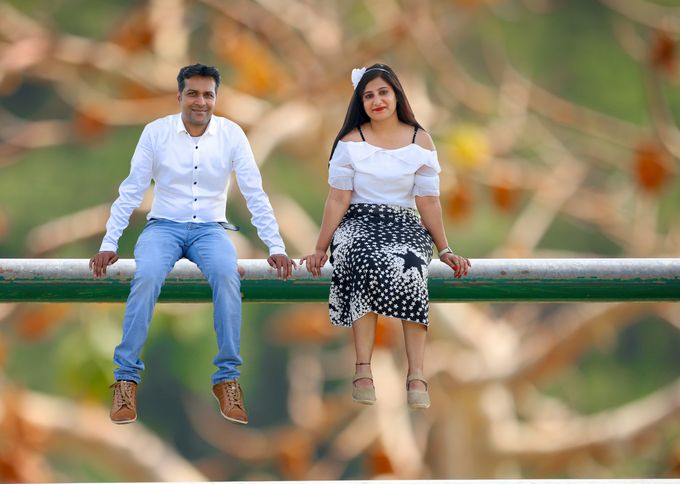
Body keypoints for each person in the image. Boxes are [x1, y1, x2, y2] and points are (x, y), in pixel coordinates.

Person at [90, 63, 294, 425]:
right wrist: (110, 241)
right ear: (180, 96)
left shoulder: (232, 135)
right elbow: (132, 190)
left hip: (211, 230)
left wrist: (275, 245)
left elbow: (254, 193)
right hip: (163, 227)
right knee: (147, 276)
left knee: (227, 276)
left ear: (216, 98)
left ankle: (227, 379)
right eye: (193, 94)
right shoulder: (156, 133)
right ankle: (126, 380)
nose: (201, 102)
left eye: (208, 95)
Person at [302, 64, 471, 409]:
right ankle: (363, 368)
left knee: (410, 267)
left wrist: (445, 249)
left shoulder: (419, 140)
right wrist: (320, 248)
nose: (377, 100)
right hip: (358, 223)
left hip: (405, 224)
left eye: (383, 92)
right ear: (360, 102)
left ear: (396, 95)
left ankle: (417, 374)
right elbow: (338, 199)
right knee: (361, 256)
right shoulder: (350, 143)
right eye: (368, 95)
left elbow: (428, 200)